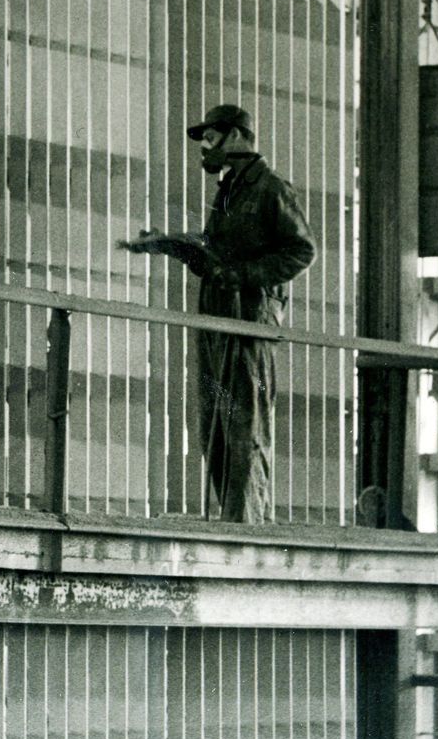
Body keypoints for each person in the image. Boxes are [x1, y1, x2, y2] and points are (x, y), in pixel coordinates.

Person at [120, 103, 316, 523]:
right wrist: (170, 244)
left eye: (211, 138)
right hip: (215, 317)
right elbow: (215, 255)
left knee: (245, 421)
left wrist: (244, 275)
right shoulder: (228, 192)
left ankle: (247, 526)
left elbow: (301, 250)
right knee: (216, 422)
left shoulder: (271, 189)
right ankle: (231, 519)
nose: (205, 147)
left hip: (249, 320)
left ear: (238, 136)